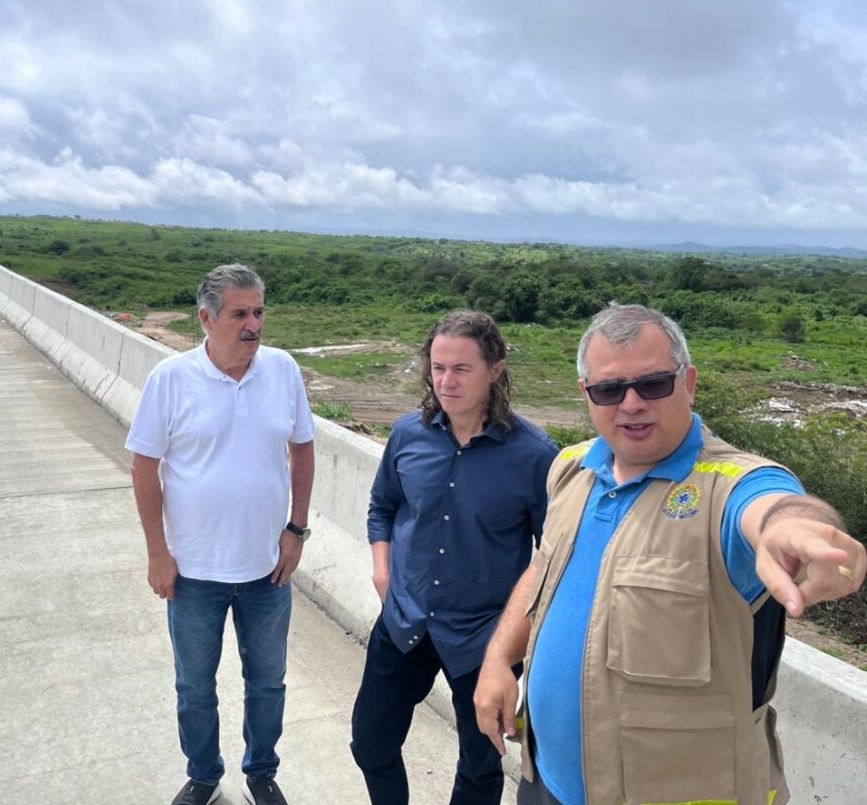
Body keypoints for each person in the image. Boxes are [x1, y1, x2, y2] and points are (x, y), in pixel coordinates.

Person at [474, 303, 867, 805]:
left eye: (653, 384)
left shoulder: (727, 487)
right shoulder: (571, 469)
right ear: (587, 396)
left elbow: (773, 506)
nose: (632, 404)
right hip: (546, 779)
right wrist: (499, 662)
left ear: (689, 383)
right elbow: (544, 571)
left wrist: (796, 530)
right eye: (610, 390)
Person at [350, 310, 559, 804]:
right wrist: (382, 569)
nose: (446, 380)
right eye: (438, 367)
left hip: (484, 640)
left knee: (480, 770)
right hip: (405, 620)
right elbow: (383, 507)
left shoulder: (534, 455)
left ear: (495, 369)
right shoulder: (407, 434)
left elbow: (550, 557)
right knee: (371, 743)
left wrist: (516, 646)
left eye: (462, 369)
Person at [126, 264, 316, 805]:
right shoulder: (171, 379)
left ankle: (261, 771)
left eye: (258, 311)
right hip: (193, 573)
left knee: (268, 684)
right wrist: (158, 553)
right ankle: (205, 774)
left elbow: (302, 449)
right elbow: (145, 468)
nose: (253, 324)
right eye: (240, 314)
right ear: (207, 319)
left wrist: (296, 529)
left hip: (266, 571)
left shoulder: (282, 370)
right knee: (194, 688)